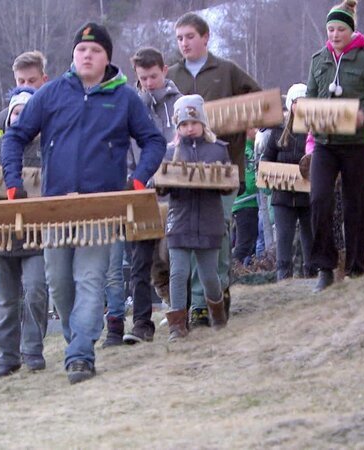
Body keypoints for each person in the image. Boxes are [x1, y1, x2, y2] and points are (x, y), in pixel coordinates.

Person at [1, 22, 165, 384]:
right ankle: (78, 336)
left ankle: (80, 355)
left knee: (90, 279)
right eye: (81, 50)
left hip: (100, 208)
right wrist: (13, 182)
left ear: (107, 57)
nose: (86, 55)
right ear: (73, 55)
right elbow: (14, 138)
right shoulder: (52, 93)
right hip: (55, 208)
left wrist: (137, 180)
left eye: (94, 50)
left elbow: (154, 141)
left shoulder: (124, 98)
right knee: (59, 283)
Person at [167, 12, 261, 326]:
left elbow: (258, 102)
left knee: (217, 234)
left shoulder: (227, 70)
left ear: (206, 37)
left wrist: (245, 123)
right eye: (180, 38)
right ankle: (197, 305)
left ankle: (218, 292)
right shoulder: (172, 76)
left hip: (224, 166)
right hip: (184, 175)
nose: (184, 43)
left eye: (190, 36)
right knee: (186, 235)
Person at [306, 0, 364, 292]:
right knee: (319, 199)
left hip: (357, 144)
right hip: (325, 144)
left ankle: (356, 267)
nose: (334, 34)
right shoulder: (318, 60)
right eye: (330, 29)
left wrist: (363, 113)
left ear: (351, 30)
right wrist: (301, 109)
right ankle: (325, 267)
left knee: (356, 205)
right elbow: (310, 98)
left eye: (340, 29)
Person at [0, 88, 49, 377]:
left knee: (37, 291)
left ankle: (33, 350)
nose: (21, 117)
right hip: (0, 237)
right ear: (9, 116)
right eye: (17, 111)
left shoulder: (46, 150)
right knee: (6, 299)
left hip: (37, 235)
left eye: (27, 112)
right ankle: (7, 355)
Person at [120, 47, 182, 345]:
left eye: (153, 76)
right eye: (143, 77)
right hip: (139, 190)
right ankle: (142, 323)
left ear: (164, 71)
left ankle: (182, 309)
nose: (148, 82)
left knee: (172, 254)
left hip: (174, 191)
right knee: (140, 261)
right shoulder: (128, 106)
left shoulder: (181, 103)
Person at [162, 95, 232, 341]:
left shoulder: (218, 149)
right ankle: (177, 326)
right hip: (179, 220)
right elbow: (161, 185)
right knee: (178, 273)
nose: (189, 128)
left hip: (208, 222)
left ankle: (218, 313)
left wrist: (220, 180)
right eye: (183, 124)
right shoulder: (170, 151)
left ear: (203, 122)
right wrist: (158, 181)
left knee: (208, 274)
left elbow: (228, 184)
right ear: (177, 127)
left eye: (193, 122)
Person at [262, 83, 315, 280]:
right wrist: (270, 173)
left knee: (309, 238)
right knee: (284, 238)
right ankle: (283, 278)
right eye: (296, 102)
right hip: (283, 196)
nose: (300, 106)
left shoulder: (315, 130)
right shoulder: (278, 131)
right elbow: (266, 158)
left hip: (309, 196)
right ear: (290, 104)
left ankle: (311, 275)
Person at [0, 51, 49, 142]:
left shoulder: (57, 114)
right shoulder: (3, 118)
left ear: (44, 80)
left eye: (31, 81)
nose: (26, 86)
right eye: (21, 81)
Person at [231, 128, 259, 266]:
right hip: (245, 203)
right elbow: (249, 181)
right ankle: (234, 270)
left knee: (247, 242)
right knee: (244, 243)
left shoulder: (251, 148)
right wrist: (260, 183)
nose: (257, 130)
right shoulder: (246, 151)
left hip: (248, 203)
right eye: (254, 127)